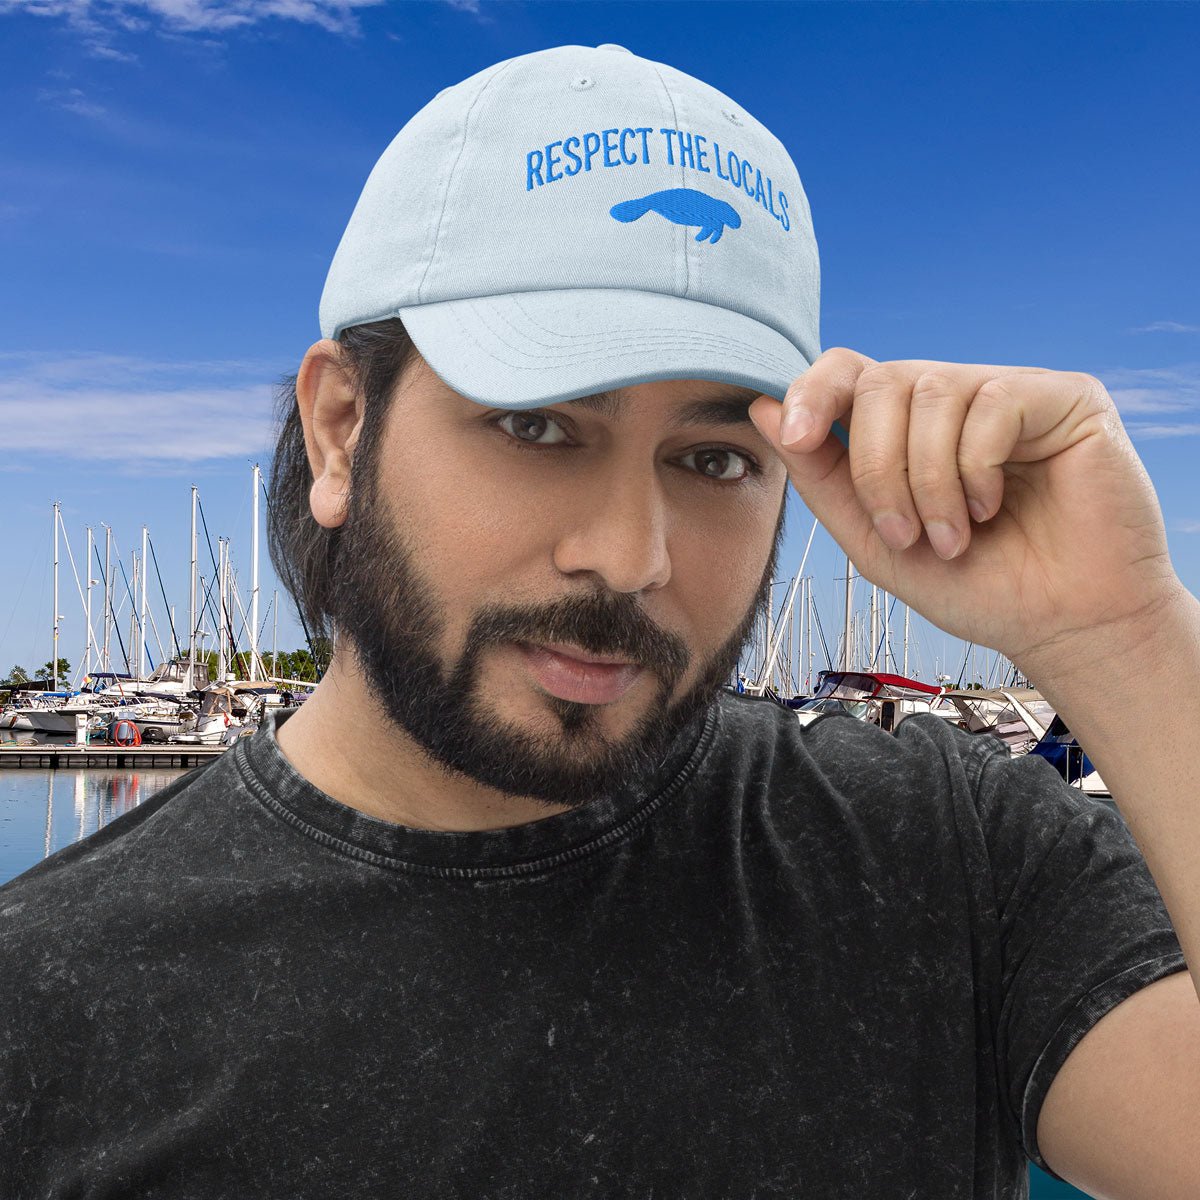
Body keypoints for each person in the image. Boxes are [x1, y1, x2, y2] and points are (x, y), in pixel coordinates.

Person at [2, 43, 1198, 1199]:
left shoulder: (946, 859)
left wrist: (1124, 639)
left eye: (716, 459)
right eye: (537, 425)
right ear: (339, 429)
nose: (632, 556)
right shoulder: (48, 1007)